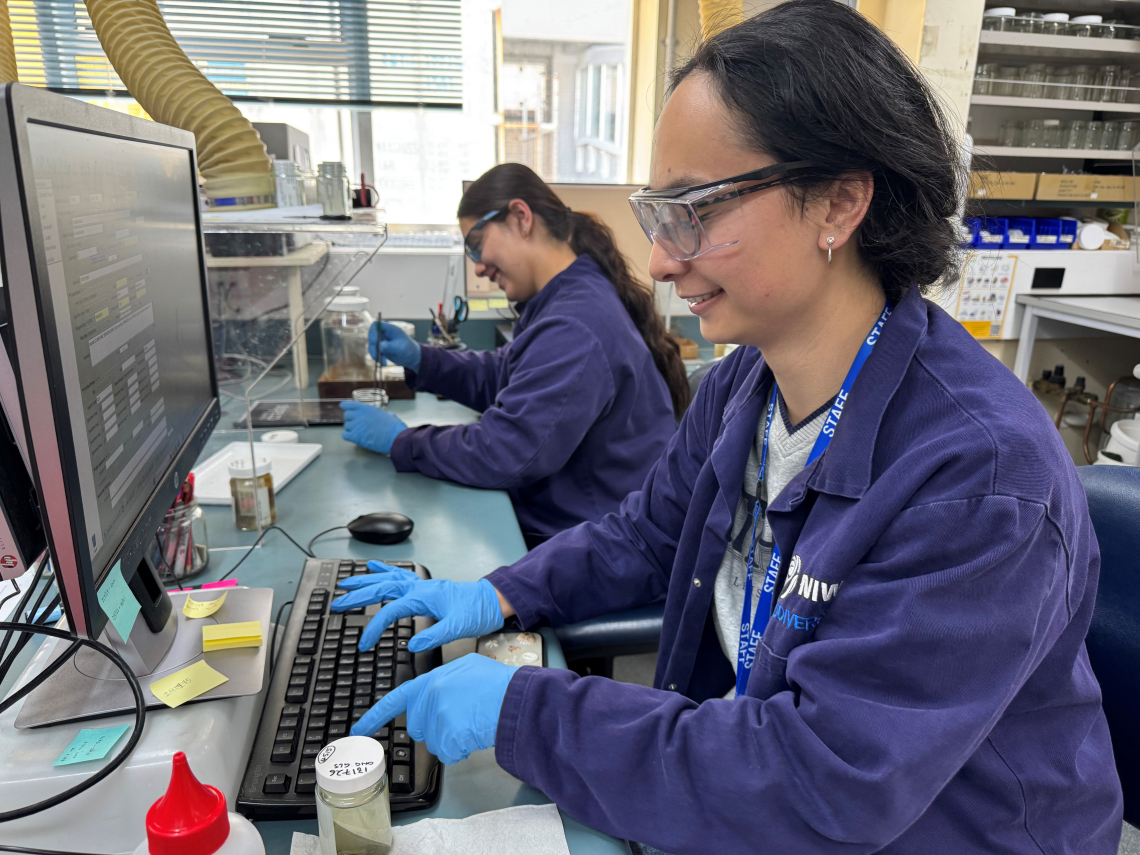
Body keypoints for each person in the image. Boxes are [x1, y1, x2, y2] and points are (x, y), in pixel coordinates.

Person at [331, 2, 1123, 852]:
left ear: (839, 202)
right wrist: (498, 591)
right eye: (658, 214)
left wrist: (528, 711)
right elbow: (646, 532)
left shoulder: (980, 476)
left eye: (697, 210)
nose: (662, 260)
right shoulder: (749, 380)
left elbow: (828, 779)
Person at [340, 164, 688, 548]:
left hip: (594, 544)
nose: (478, 266)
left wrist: (402, 441)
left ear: (521, 217)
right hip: (576, 523)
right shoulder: (561, 299)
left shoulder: (576, 323)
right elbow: (506, 376)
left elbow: (506, 451)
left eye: (476, 244)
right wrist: (423, 360)